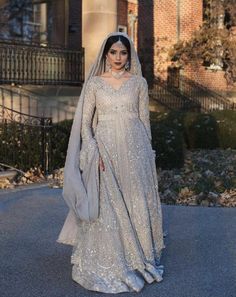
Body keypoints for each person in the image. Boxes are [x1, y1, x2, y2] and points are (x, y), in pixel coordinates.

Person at [57, 32, 165, 293]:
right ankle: (111, 257)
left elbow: (144, 120)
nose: (118, 57)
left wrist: (148, 154)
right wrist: (93, 152)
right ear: (106, 53)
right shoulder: (94, 84)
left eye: (123, 52)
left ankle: (138, 256)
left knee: (135, 199)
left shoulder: (139, 83)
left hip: (135, 148)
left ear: (129, 56)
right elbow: (85, 125)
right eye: (114, 52)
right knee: (107, 204)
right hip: (105, 149)